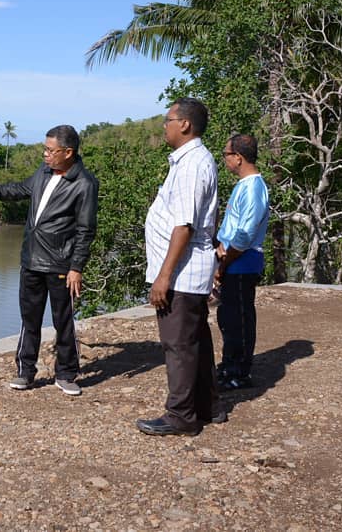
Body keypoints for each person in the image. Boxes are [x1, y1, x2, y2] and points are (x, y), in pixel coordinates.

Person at [0, 125, 99, 396]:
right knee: (29, 320)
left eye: (50, 150)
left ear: (68, 152)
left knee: (63, 320)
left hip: (60, 265)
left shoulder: (84, 184)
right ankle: (25, 372)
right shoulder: (42, 173)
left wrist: (76, 267)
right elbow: (17, 190)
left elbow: (85, 230)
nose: (45, 155)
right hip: (31, 260)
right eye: (45, 149)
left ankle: (66, 374)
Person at [136, 99, 221, 436]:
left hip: (183, 274)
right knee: (194, 341)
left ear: (184, 124)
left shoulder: (192, 165)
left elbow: (183, 226)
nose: (164, 126)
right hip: (188, 273)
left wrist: (164, 275)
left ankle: (181, 416)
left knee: (178, 346)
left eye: (167, 120)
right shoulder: (191, 161)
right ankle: (207, 406)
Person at [214, 134, 270, 391]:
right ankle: (229, 365)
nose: (224, 159)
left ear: (238, 157)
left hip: (242, 261)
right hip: (234, 260)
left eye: (226, 154)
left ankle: (239, 371)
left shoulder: (253, 188)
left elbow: (246, 233)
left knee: (240, 318)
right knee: (228, 316)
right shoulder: (244, 185)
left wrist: (226, 261)